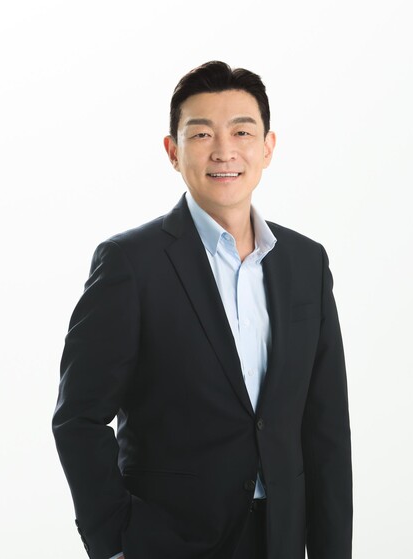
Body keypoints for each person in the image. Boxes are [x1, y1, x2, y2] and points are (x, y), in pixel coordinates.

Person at [52, 60, 352, 559]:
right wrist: (116, 544)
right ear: (173, 151)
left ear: (268, 147)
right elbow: (78, 418)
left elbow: (326, 430)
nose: (223, 151)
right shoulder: (131, 263)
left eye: (242, 132)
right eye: (201, 134)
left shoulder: (306, 263)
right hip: (168, 541)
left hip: (280, 538)